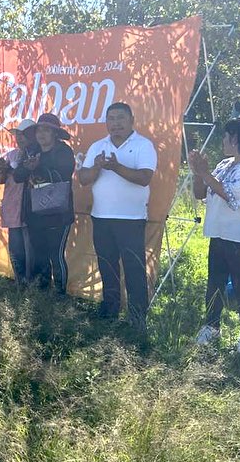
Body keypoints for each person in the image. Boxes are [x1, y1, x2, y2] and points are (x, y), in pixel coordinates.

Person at [189, 118, 240, 354]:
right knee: (214, 282)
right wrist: (199, 173)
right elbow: (200, 193)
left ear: (235, 138)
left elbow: (230, 196)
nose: (223, 142)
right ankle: (211, 326)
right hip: (219, 233)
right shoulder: (225, 164)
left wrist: (205, 173)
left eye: (225, 137)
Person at [77, 102, 157, 330]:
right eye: (111, 119)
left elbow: (144, 178)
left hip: (131, 219)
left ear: (132, 119)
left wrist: (116, 167)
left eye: (120, 118)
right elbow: (83, 178)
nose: (116, 124)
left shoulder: (143, 145)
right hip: (101, 217)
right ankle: (110, 309)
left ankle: (137, 316)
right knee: (107, 265)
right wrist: (97, 167)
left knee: (134, 268)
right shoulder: (97, 146)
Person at [14, 113, 76, 293]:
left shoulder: (64, 151)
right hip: (35, 213)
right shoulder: (32, 150)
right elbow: (18, 176)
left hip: (59, 215)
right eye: (39, 129)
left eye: (47, 130)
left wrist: (38, 167)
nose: (42, 134)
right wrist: (27, 167)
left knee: (56, 256)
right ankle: (42, 293)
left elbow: (63, 176)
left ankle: (59, 295)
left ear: (55, 134)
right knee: (40, 256)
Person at [0, 119, 39, 282]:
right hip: (12, 207)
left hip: (28, 208)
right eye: (18, 135)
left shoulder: (35, 155)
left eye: (24, 135)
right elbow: (0, 179)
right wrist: (1, 170)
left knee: (30, 249)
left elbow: (28, 176)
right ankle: (19, 280)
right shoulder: (12, 154)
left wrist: (11, 170)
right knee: (15, 247)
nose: (20, 138)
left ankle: (31, 282)